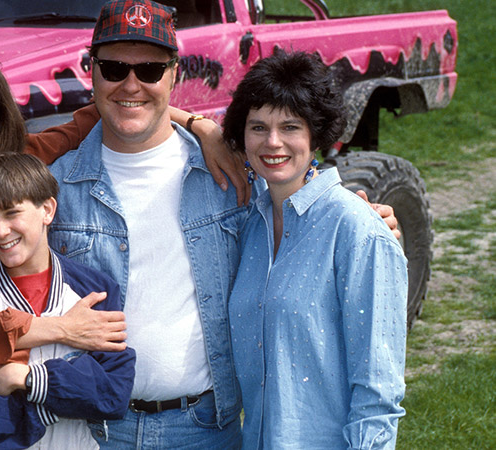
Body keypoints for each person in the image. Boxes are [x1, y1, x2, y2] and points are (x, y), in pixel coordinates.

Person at [48, 1, 402, 448]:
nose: (131, 84)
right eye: (114, 68)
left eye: (151, 71)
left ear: (175, 73)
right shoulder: (54, 186)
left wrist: (368, 227)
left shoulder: (229, 178)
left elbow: (298, 194)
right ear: (92, 70)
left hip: (205, 431)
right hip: (94, 430)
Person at [0, 51, 243, 449]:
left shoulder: (23, 165)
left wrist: (200, 125)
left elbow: (109, 109)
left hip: (45, 413)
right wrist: (62, 329)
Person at [223, 50, 407, 449]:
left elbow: (378, 391)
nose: (273, 142)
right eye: (258, 127)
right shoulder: (249, 225)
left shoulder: (357, 231)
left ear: (316, 134)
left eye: (290, 127)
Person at [0, 153, 136, 449]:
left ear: (47, 209)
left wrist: (20, 377)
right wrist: (58, 399)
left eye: (11, 213)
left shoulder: (94, 290)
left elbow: (112, 394)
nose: (0, 231)